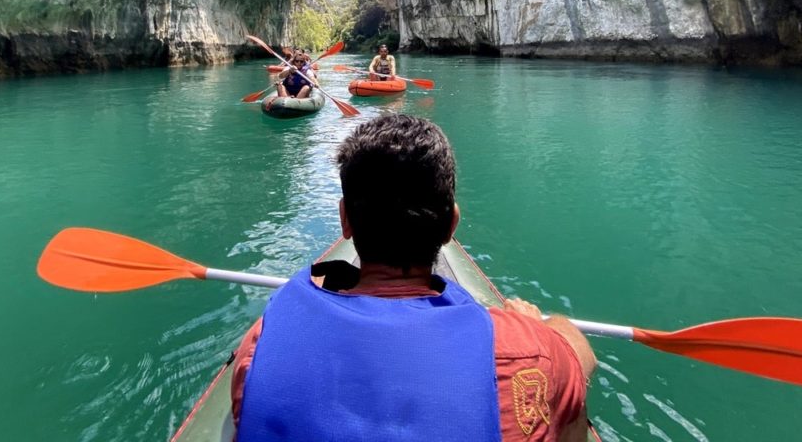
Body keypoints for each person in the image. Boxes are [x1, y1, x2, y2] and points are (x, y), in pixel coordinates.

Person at [230, 114, 597, 442]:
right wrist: (537, 327)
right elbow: (583, 356)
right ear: (451, 224)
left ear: (345, 220)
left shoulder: (261, 342)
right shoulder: (527, 349)